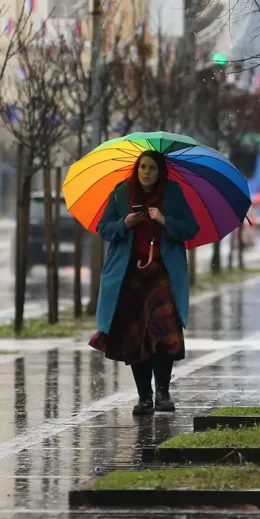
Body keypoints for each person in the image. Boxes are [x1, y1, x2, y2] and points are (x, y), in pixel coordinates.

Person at [89, 151, 199, 416]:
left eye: (151, 168)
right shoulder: (120, 193)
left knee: (164, 333)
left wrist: (164, 220)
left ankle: (163, 392)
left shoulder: (172, 194)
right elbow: (103, 228)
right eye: (142, 167)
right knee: (136, 336)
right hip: (129, 274)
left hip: (163, 273)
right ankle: (144, 397)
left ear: (160, 171)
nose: (146, 173)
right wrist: (124, 223)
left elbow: (190, 229)